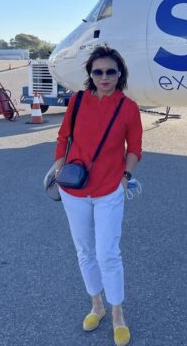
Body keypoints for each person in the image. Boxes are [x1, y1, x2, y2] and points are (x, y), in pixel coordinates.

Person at [53, 46, 142, 346]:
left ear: (120, 74)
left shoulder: (128, 107)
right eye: (98, 72)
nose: (104, 77)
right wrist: (58, 165)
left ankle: (118, 314)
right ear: (90, 75)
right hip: (74, 189)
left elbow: (135, 149)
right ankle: (97, 306)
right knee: (84, 251)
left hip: (109, 190)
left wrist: (125, 178)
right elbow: (63, 135)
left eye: (111, 72)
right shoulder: (77, 101)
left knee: (108, 253)